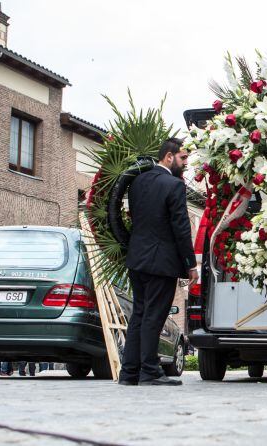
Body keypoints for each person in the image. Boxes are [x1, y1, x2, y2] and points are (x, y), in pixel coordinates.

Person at [119, 137, 198, 386]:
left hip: (137, 259)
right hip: (161, 262)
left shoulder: (137, 182)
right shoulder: (173, 186)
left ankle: (129, 372)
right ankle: (150, 371)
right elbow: (181, 228)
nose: (185, 163)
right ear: (168, 156)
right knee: (154, 315)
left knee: (139, 315)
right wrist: (190, 264)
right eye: (183, 158)